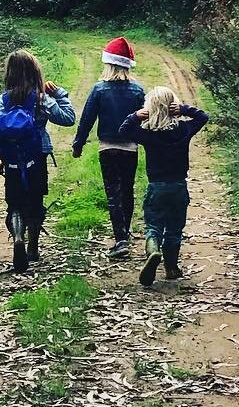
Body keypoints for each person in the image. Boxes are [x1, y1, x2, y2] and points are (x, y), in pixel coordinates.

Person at [0, 49, 76, 273]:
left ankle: (18, 237)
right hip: (36, 158)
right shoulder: (41, 98)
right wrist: (60, 94)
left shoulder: (2, 101)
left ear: (10, 74)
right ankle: (33, 248)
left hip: (12, 160)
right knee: (35, 202)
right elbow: (68, 119)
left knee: (15, 204)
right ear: (35, 72)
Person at [116, 85, 209, 287]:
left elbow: (123, 130)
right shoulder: (184, 130)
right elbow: (203, 117)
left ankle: (153, 250)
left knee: (153, 225)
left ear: (150, 109)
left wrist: (136, 116)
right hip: (178, 187)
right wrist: (184, 109)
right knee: (175, 228)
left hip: (156, 187)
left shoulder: (148, 134)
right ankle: (171, 267)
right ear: (172, 107)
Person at [71, 35, 147, 258]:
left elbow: (86, 119)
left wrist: (78, 144)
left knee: (113, 193)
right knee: (127, 190)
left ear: (108, 63)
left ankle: (120, 238)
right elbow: (146, 119)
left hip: (107, 148)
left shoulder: (99, 89)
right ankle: (126, 232)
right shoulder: (137, 90)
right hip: (130, 147)